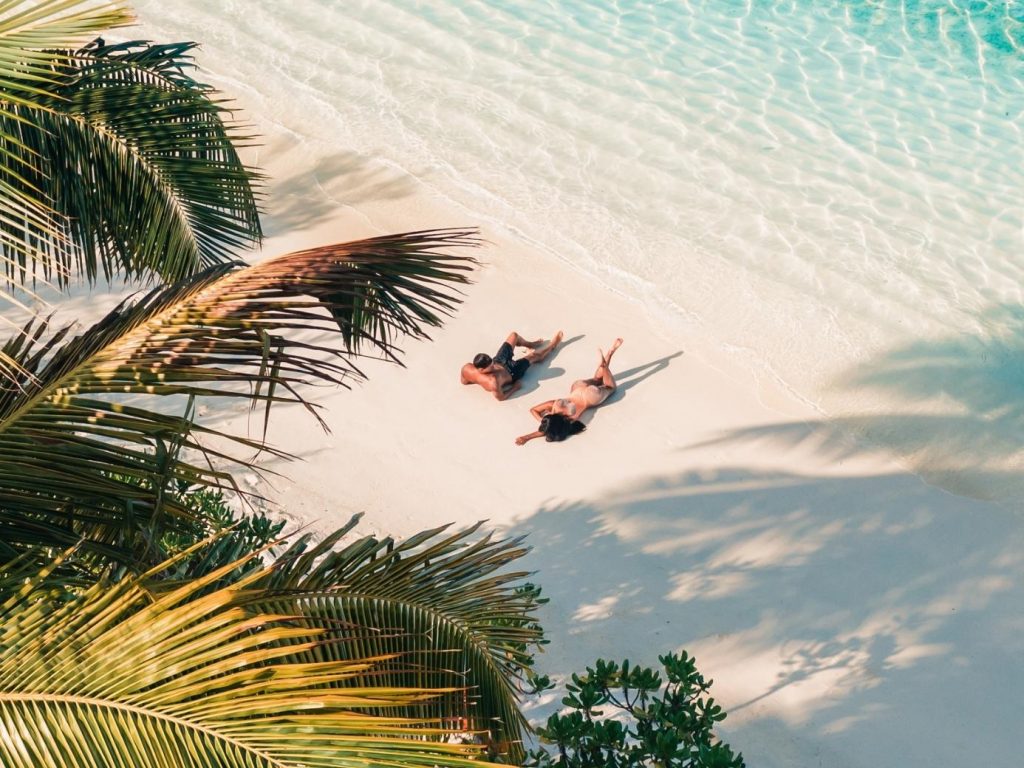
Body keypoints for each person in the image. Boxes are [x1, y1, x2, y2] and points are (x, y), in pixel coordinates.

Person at [515, 338, 622, 445]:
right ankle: (606, 359)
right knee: (597, 379)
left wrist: (527, 437)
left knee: (610, 387)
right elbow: (533, 410)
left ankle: (606, 361)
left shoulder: (569, 420)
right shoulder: (554, 405)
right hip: (577, 388)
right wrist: (542, 420)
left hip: (590, 398)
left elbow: (547, 430)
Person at [461, 330, 563, 400]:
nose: (493, 366)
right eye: (490, 366)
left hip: (499, 360)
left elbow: (464, 382)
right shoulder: (493, 381)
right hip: (512, 371)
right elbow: (501, 398)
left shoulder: (467, 368)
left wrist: (478, 381)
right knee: (534, 356)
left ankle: (530, 344)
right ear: (481, 369)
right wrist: (515, 387)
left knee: (514, 335)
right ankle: (552, 345)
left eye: (491, 363)